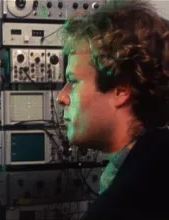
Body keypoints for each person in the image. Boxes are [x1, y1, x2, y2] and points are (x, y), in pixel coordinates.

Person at [56, 0, 169, 219]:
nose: (62, 97)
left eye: (73, 81)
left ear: (121, 90)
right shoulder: (152, 163)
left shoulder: (131, 200)